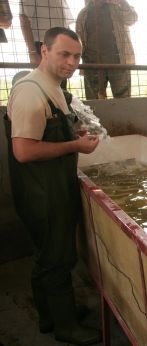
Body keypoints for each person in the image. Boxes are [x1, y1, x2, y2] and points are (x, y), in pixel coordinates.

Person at [4, 27, 101, 345]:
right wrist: (76, 147)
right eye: (64, 54)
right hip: (42, 192)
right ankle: (66, 327)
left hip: (50, 186)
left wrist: (75, 137)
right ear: (44, 52)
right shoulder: (31, 92)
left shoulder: (53, 87)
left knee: (46, 254)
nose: (72, 62)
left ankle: (50, 316)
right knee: (58, 258)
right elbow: (24, 151)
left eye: (76, 56)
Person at [76, 0, 137, 99]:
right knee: (94, 103)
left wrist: (121, 1)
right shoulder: (83, 14)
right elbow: (79, 41)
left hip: (118, 62)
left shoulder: (117, 8)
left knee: (123, 101)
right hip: (92, 65)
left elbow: (132, 19)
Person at [19, 0, 74, 65]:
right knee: (46, 74)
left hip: (62, 43)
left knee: (60, 74)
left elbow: (64, 22)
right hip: (43, 44)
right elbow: (24, 19)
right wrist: (32, 52)